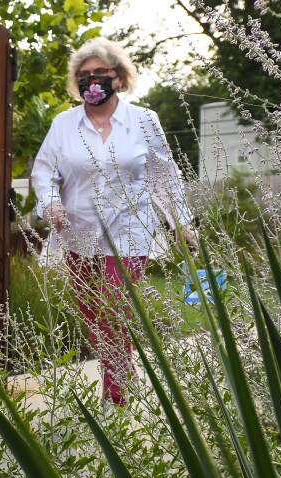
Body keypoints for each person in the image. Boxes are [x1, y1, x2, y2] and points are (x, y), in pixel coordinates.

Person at [31, 37, 195, 406]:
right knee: (93, 314)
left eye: (100, 73)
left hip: (129, 231)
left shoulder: (143, 121)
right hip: (77, 232)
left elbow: (164, 176)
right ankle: (126, 373)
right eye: (84, 75)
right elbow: (44, 172)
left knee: (112, 307)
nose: (92, 80)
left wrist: (181, 222)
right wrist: (51, 204)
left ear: (119, 78)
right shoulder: (63, 124)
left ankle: (115, 394)